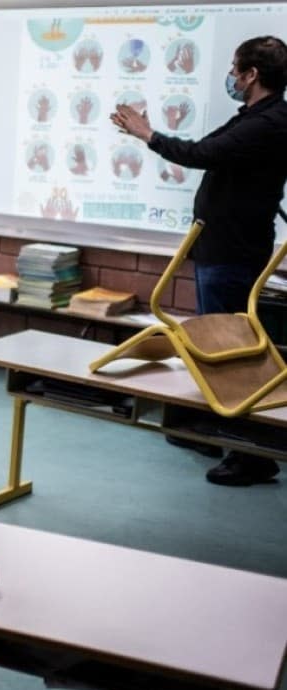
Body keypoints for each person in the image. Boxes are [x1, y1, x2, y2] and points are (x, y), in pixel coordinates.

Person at [110, 36, 287, 486]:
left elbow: (200, 155)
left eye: (235, 68)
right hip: (220, 247)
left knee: (230, 349)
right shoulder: (252, 117)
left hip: (233, 250)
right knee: (212, 342)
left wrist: (147, 135)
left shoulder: (271, 122)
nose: (231, 76)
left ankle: (251, 455)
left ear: (252, 75)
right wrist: (151, 132)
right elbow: (202, 147)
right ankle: (215, 428)